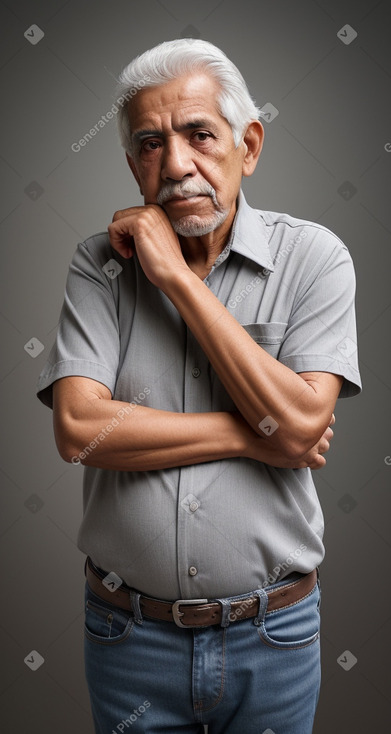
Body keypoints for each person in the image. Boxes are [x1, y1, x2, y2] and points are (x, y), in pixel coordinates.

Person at [37, 38, 361, 734]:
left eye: (199, 135)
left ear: (247, 145)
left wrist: (176, 280)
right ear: (132, 165)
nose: (177, 165)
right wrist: (261, 435)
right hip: (129, 637)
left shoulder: (315, 258)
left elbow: (302, 427)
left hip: (273, 635)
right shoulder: (99, 265)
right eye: (151, 143)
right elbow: (78, 430)